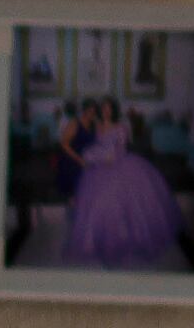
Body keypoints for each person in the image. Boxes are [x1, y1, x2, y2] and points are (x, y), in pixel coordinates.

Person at [63, 98, 182, 268]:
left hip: (119, 165)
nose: (106, 111)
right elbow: (91, 144)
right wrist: (91, 156)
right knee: (96, 203)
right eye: (103, 108)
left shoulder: (121, 127)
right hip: (97, 168)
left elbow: (121, 150)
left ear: (114, 111)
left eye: (109, 109)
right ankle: (98, 240)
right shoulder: (96, 126)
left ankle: (126, 239)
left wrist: (106, 157)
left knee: (122, 202)